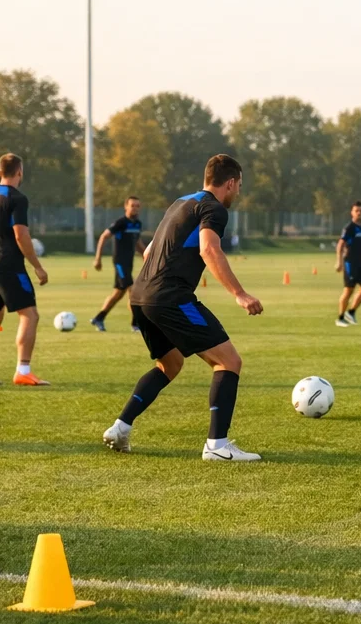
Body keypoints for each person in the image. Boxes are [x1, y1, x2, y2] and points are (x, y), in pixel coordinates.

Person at [102, 154, 264, 461]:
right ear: (229, 183)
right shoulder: (214, 209)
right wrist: (240, 294)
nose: (239, 193)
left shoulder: (181, 202)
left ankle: (120, 428)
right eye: (239, 186)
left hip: (140, 294)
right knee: (229, 361)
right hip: (169, 296)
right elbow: (208, 248)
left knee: (170, 364)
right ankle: (217, 446)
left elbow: (150, 249)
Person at [0, 153, 49, 386]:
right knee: (30, 315)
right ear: (19, 172)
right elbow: (20, 234)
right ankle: (23, 370)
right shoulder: (18, 198)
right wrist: (37, 266)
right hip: (8, 265)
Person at [91, 195, 145, 332]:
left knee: (118, 294)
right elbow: (104, 236)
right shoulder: (121, 223)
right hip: (120, 263)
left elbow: (137, 243)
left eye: (137, 206)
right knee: (133, 291)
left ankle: (99, 318)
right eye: (132, 205)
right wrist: (98, 258)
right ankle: (136, 324)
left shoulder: (137, 224)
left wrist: (147, 256)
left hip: (129, 263)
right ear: (126, 206)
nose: (135, 208)